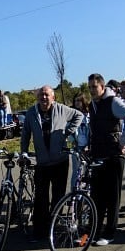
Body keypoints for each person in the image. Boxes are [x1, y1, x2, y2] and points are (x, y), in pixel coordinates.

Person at [20, 85, 83, 239]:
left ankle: (53, 227)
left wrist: (67, 132)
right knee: (41, 197)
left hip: (60, 161)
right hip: (41, 162)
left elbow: (79, 115)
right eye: (41, 95)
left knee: (58, 196)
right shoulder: (31, 113)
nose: (44, 98)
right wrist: (24, 152)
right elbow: (26, 134)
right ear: (37, 97)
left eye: (47, 95)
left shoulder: (62, 109)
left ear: (53, 97)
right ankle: (39, 231)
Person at [87, 73, 125, 246]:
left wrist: (123, 141)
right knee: (97, 196)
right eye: (90, 87)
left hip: (114, 155)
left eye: (95, 86)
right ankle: (95, 231)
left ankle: (109, 233)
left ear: (102, 86)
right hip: (98, 154)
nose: (92, 90)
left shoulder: (112, 102)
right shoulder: (92, 104)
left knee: (112, 197)